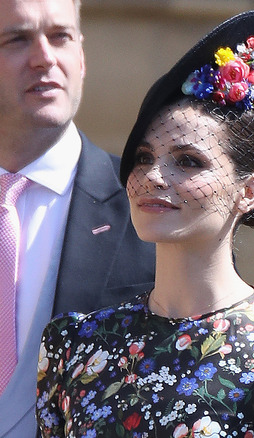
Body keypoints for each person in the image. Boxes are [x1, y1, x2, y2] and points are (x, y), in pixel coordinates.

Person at [35, 11, 254, 437]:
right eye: (144, 157)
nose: (154, 177)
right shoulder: (78, 345)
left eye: (188, 161)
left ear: (249, 191)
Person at [0, 0, 154, 435]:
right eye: (17, 39)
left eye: (60, 36)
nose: (45, 57)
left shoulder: (155, 209)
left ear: (81, 56)